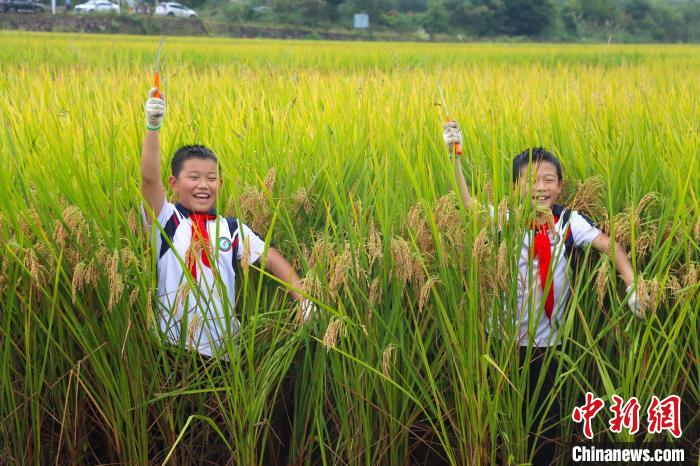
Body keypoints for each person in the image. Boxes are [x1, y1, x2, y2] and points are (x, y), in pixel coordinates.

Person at [442, 122, 646, 465]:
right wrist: (455, 156)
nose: (540, 187)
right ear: (515, 187)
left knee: (545, 426)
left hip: (551, 346)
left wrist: (632, 284)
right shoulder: (506, 220)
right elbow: (469, 208)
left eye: (548, 180)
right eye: (530, 180)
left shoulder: (569, 222)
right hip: (504, 344)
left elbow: (612, 248)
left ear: (560, 186)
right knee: (506, 422)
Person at [140, 86, 314, 358]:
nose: (203, 185)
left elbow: (272, 259)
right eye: (193, 177)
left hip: (224, 355)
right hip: (171, 349)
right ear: (174, 183)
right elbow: (149, 179)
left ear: (220, 183)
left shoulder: (232, 229)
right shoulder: (167, 220)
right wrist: (153, 126)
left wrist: (303, 299)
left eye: (211, 178)